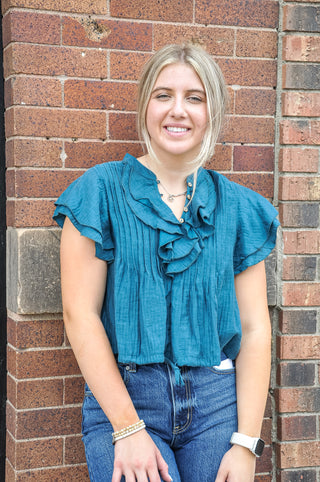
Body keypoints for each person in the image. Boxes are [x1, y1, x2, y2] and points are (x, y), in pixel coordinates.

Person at [53, 43, 280, 482]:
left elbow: (254, 330)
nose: (178, 110)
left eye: (194, 97)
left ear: (212, 111)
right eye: (164, 95)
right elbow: (79, 315)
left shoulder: (237, 208)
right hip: (127, 396)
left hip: (218, 404)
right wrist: (128, 427)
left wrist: (246, 442)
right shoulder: (98, 192)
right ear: (145, 107)